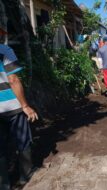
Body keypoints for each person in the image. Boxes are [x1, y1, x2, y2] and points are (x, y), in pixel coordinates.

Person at [0, 24, 38, 189]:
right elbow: (13, 79)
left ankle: (4, 183)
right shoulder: (5, 51)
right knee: (23, 139)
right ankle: (26, 174)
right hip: (12, 106)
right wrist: (25, 105)